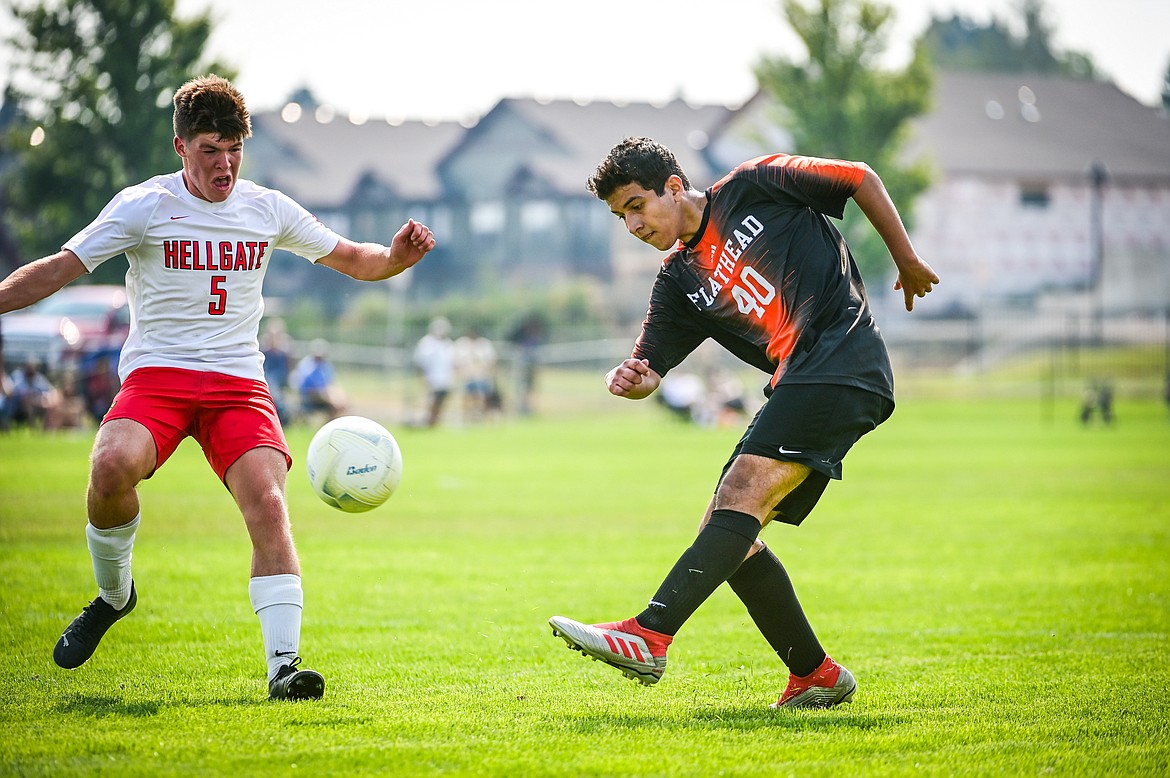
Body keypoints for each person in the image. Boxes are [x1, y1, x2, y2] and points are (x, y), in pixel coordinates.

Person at [0, 75, 435, 701]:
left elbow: (357, 260)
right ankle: (114, 595)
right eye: (210, 149)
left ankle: (284, 668)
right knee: (110, 466)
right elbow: (61, 269)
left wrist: (395, 256)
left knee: (268, 500)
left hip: (237, 383)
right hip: (159, 377)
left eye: (234, 148)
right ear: (181, 148)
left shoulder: (266, 208)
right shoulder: (142, 206)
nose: (224, 163)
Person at [549, 137, 939, 709]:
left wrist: (904, 257)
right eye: (619, 216)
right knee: (728, 527)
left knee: (739, 494)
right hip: (803, 379)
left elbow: (858, 177)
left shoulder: (757, 183)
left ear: (674, 186)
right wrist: (638, 380)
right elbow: (652, 364)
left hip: (842, 357)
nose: (631, 224)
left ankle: (650, 633)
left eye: (636, 205)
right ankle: (815, 675)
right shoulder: (677, 281)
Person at [412, 316, 455, 427]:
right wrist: (422, 377)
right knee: (431, 401)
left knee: (441, 401)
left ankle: (435, 422)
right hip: (431, 378)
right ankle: (428, 421)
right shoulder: (426, 342)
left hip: (445, 379)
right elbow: (420, 361)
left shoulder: (448, 344)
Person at [292, 338, 347, 420]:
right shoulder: (306, 365)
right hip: (310, 396)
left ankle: (328, 423)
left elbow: (331, 382)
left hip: (324, 395)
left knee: (340, 402)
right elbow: (305, 386)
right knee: (333, 403)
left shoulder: (326, 365)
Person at [453, 325, 499, 422]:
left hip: (482, 376)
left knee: (481, 397)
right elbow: (456, 362)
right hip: (467, 376)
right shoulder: (462, 344)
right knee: (468, 397)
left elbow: (491, 361)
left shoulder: (484, 344)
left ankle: (479, 416)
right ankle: (467, 417)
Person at [260, 319, 294, 424]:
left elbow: (286, 372)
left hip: (280, 383)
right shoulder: (263, 352)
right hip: (267, 382)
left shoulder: (283, 354)